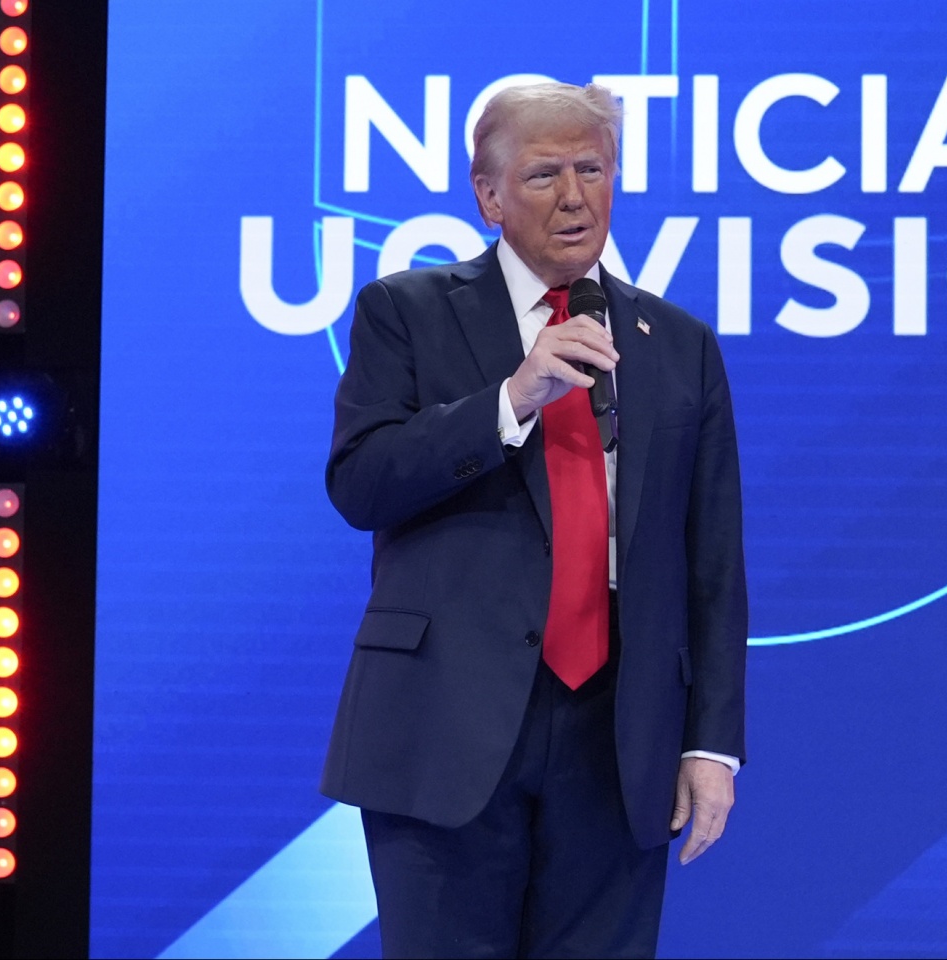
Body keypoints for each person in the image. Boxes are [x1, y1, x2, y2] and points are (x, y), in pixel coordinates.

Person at [320, 81, 747, 959]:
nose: (574, 196)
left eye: (592, 170)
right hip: (445, 722)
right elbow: (362, 483)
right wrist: (511, 399)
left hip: (619, 734)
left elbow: (712, 561)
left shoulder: (680, 345)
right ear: (488, 195)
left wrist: (712, 745)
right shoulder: (407, 312)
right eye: (545, 174)